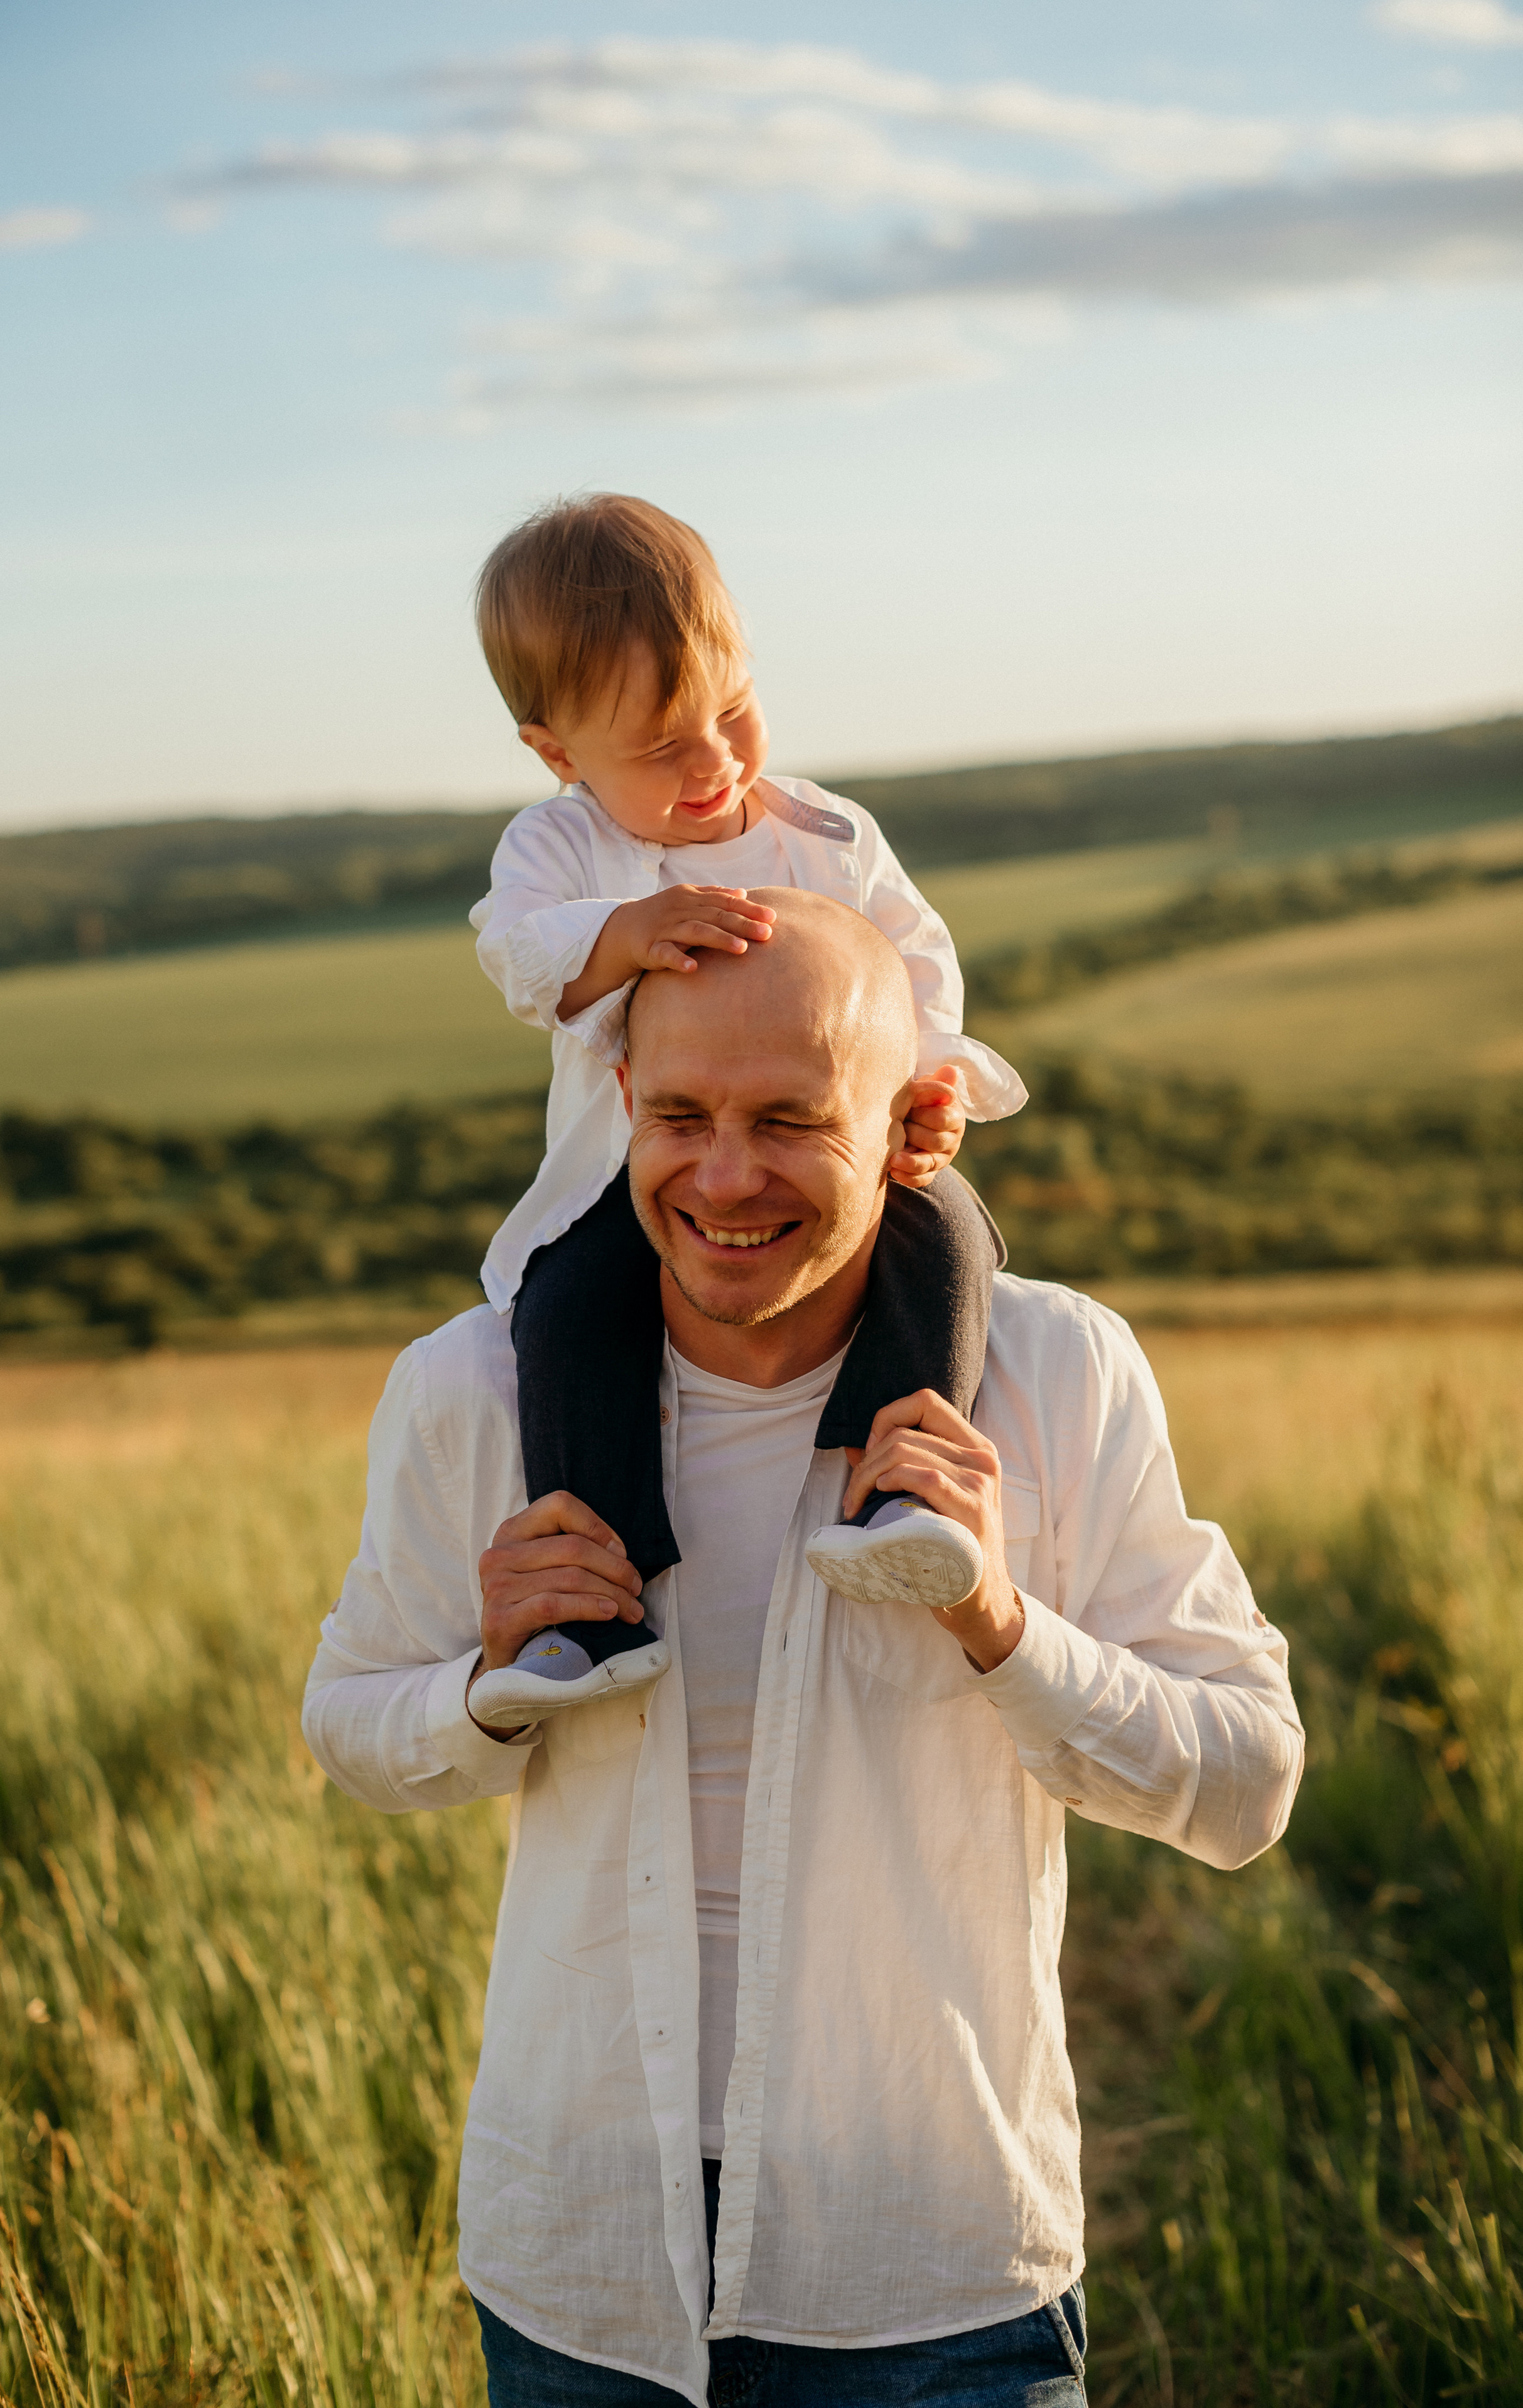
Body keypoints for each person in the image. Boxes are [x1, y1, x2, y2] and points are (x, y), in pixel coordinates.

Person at [303, 891, 1305, 2408]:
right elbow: (350, 1723)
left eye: (787, 1121)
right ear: (622, 1104)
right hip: (584, 2277)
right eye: (684, 1115)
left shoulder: (1051, 1372)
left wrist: (1000, 1625)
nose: (722, 1176)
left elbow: (1247, 1784)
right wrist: (476, 1686)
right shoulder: (476, 1393)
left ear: (912, 1124)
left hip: (934, 2275)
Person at [463, 494, 1028, 1730]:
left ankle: (905, 1499)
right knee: (567, 1316)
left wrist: (927, 1093)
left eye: (731, 713)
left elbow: (915, 970)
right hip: (639, 1180)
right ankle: (584, 1609)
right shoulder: (559, 853)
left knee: (949, 1245)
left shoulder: (822, 835)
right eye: (663, 749)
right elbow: (512, 952)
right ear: (558, 753)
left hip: (836, 1164)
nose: (717, 766)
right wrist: (624, 933)